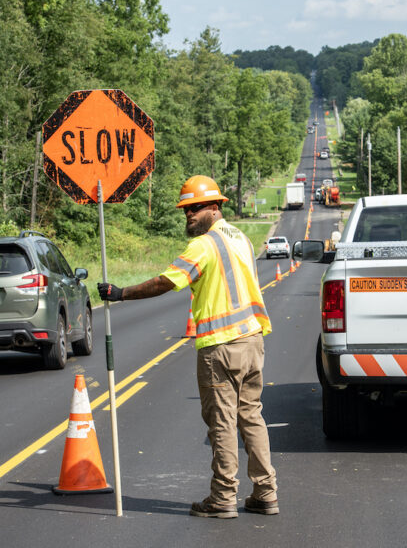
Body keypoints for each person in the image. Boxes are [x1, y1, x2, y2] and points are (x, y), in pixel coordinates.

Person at [98, 175, 278, 519]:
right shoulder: (240, 237)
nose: (188, 215)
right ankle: (266, 492)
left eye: (194, 208)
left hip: (221, 347)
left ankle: (224, 498)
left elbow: (167, 282)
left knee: (222, 423)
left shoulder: (204, 245)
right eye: (185, 210)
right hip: (252, 340)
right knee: (251, 417)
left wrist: (122, 293)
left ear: (215, 206)